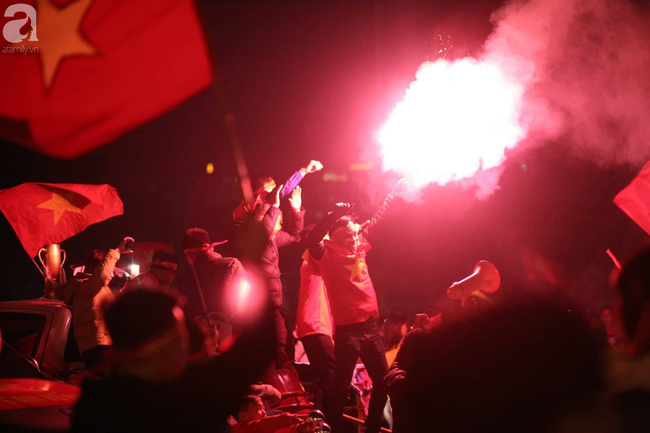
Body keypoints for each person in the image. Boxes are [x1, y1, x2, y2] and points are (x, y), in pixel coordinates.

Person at [72, 287, 275, 432]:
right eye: (181, 338)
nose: (187, 348)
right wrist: (256, 260)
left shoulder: (94, 403)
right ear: (157, 348)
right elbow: (257, 350)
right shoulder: (184, 401)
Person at [307, 181, 402, 433]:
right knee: (340, 387)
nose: (353, 238)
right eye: (348, 234)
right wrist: (332, 216)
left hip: (370, 328)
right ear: (335, 235)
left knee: (385, 383)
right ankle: (334, 430)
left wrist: (393, 193)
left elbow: (378, 219)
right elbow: (313, 237)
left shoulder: (360, 245)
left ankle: (371, 429)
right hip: (348, 332)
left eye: (355, 233)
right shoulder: (325, 253)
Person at [242, 184, 305, 367]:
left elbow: (294, 236)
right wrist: (275, 207)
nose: (281, 223)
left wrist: (297, 210)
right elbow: (265, 232)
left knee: (280, 350)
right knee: (262, 353)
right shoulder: (253, 240)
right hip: (257, 306)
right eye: (278, 220)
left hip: (274, 305)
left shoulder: (274, 240)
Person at [56, 237, 133, 368]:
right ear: (97, 268)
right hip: (99, 348)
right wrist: (117, 251)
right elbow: (102, 276)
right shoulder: (85, 287)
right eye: (111, 269)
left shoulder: (94, 289)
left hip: (100, 346)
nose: (112, 274)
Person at [296, 226, 335, 413]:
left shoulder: (312, 261)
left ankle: (319, 420)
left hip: (315, 324)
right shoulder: (314, 257)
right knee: (331, 374)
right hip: (315, 323)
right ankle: (326, 421)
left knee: (324, 375)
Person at [176, 228, 245, 331]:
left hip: (202, 338)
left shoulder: (183, 279)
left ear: (188, 255)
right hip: (235, 334)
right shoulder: (233, 264)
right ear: (210, 247)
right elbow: (246, 301)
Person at [233, 160, 323, 225]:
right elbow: (284, 189)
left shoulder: (254, 206)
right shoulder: (253, 207)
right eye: (272, 189)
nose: (275, 193)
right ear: (261, 191)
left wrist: (304, 171)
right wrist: (303, 171)